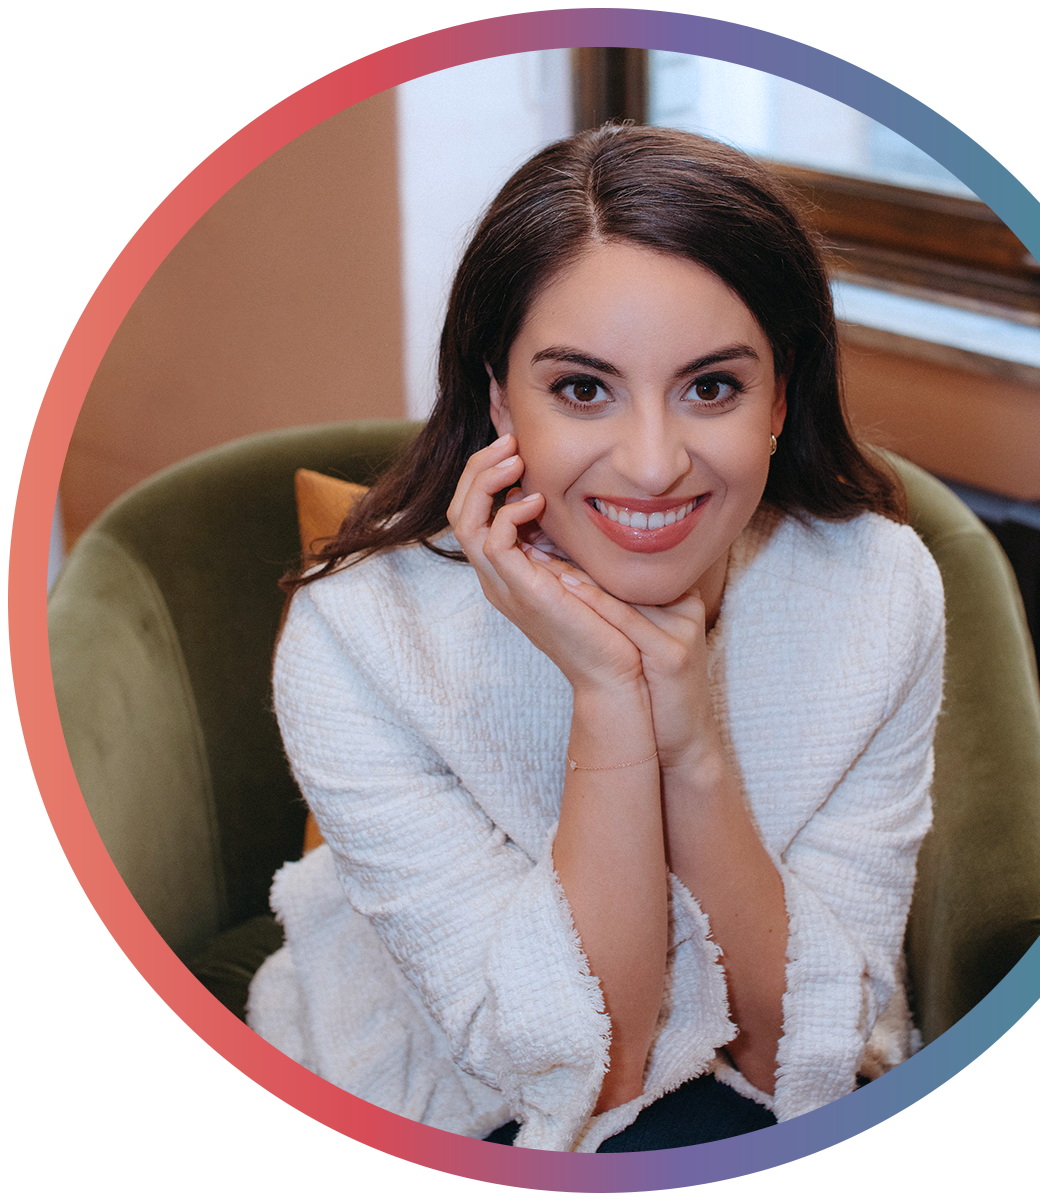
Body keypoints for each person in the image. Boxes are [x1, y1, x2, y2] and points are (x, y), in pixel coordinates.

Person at [247, 123, 945, 1153]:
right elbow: (584, 1069)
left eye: (711, 386)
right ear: (498, 397)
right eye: (583, 388)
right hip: (455, 1095)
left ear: (781, 393)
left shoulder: (876, 592)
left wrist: (693, 742)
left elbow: (802, 1052)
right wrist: (609, 698)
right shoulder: (360, 633)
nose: (654, 464)